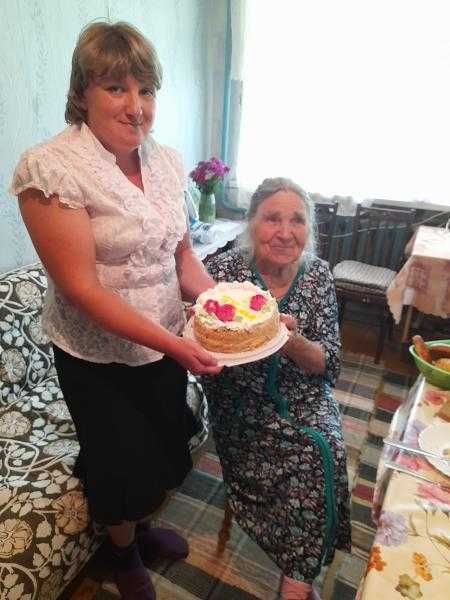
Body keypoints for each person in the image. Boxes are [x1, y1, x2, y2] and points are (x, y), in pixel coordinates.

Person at [10, 21, 221, 600]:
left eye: (146, 90)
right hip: (97, 355)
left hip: (166, 341)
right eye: (116, 88)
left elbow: (183, 260)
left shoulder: (166, 162)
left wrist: (229, 311)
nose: (136, 106)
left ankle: (140, 530)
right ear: (82, 92)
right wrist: (178, 345)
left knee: (156, 445)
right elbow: (82, 288)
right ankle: (122, 552)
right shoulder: (51, 168)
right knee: (117, 459)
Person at [200, 177, 351, 600]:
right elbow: (204, 338)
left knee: (327, 448)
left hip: (305, 393)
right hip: (240, 401)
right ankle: (300, 577)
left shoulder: (318, 275)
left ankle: (296, 578)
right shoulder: (224, 272)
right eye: (272, 219)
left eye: (297, 220)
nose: (285, 232)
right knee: (310, 457)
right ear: (251, 223)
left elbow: (328, 365)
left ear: (309, 229)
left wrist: (290, 340)